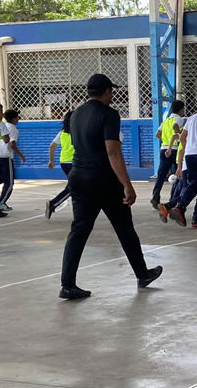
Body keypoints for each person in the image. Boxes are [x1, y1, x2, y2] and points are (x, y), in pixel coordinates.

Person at [59, 73, 162, 300]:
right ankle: (142, 274)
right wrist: (127, 185)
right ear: (106, 91)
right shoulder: (109, 114)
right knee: (124, 227)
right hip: (102, 179)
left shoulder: (76, 114)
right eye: (111, 91)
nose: (112, 94)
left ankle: (67, 284)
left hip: (78, 176)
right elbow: (113, 152)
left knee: (79, 230)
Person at [161, 94, 197, 227]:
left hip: (189, 154)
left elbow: (182, 136)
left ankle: (179, 207)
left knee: (193, 184)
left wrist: (188, 148)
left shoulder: (192, 118)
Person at [151, 100, 186, 208]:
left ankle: (155, 197)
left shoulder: (165, 121)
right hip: (175, 150)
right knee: (177, 175)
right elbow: (176, 127)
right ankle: (172, 200)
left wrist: (166, 142)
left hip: (164, 149)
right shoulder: (179, 119)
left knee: (161, 174)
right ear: (181, 110)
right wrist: (179, 138)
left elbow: (158, 134)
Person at [45, 112, 75, 220]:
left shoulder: (62, 133)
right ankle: (54, 203)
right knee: (74, 187)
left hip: (64, 162)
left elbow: (52, 146)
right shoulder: (78, 131)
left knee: (76, 186)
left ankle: (54, 203)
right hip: (74, 163)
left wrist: (51, 161)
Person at [0, 109, 25, 212]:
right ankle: (1, 202)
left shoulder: (2, 126)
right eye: (17, 117)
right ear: (15, 118)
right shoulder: (13, 129)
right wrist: (21, 155)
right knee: (9, 182)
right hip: (6, 157)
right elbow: (12, 144)